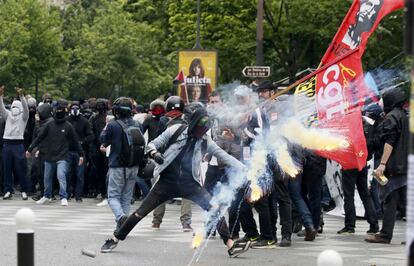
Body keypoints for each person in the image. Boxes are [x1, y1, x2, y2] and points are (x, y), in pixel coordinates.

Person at [100, 108, 251, 258]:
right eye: (200, 128)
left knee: (214, 211)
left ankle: (231, 246)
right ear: (193, 124)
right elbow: (152, 144)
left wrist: (244, 169)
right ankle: (114, 239)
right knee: (140, 213)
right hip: (166, 183)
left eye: (205, 129)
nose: (202, 132)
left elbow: (223, 155)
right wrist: (155, 154)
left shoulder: (205, 139)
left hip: (190, 184)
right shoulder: (176, 130)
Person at [366, 88, 408, 244]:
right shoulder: (405, 116)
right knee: (404, 203)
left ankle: (384, 235)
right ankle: (385, 234)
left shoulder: (391, 118)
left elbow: (389, 142)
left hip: (394, 167)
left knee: (391, 199)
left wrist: (382, 163)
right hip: (404, 166)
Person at [100, 97, 144, 236]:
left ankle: (120, 218)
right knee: (126, 198)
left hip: (117, 165)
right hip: (133, 166)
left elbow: (103, 139)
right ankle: (123, 228)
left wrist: (106, 125)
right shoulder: (137, 124)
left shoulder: (113, 125)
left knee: (112, 197)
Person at [27, 99, 84, 206]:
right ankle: (46, 196)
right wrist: (30, 149)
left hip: (62, 156)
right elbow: (39, 138)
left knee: (61, 175)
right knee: (46, 177)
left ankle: (63, 197)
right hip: (49, 156)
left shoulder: (68, 126)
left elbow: (75, 142)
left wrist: (81, 155)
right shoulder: (49, 125)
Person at [152, 96, 193, 232]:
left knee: (159, 190)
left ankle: (156, 221)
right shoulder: (188, 119)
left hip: (166, 159)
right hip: (184, 160)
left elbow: (159, 140)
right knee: (186, 192)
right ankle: (186, 223)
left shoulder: (164, 120)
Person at [0, 86, 30, 200]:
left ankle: (24, 190)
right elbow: (1, 107)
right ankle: (8, 190)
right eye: (13, 106)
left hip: (18, 145)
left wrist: (22, 96)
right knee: (6, 168)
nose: (14, 108)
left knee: (21, 168)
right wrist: (0, 96)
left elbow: (26, 109)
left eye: (17, 107)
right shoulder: (7, 115)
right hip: (7, 145)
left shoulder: (24, 117)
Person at [66, 101, 94, 202]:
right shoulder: (67, 120)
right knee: (68, 173)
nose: (74, 110)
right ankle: (68, 194)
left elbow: (91, 136)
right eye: (73, 108)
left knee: (79, 175)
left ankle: (78, 195)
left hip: (80, 152)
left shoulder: (85, 121)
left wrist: (82, 142)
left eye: (76, 108)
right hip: (68, 151)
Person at [30, 103, 54, 201]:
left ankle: (46, 193)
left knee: (45, 173)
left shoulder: (49, 123)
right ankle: (43, 192)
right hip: (41, 151)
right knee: (39, 171)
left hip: (47, 151)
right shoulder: (42, 123)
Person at [89, 98, 109, 205]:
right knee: (100, 171)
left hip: (104, 147)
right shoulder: (94, 118)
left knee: (104, 171)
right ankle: (100, 191)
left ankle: (103, 191)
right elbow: (90, 132)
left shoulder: (106, 117)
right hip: (99, 148)